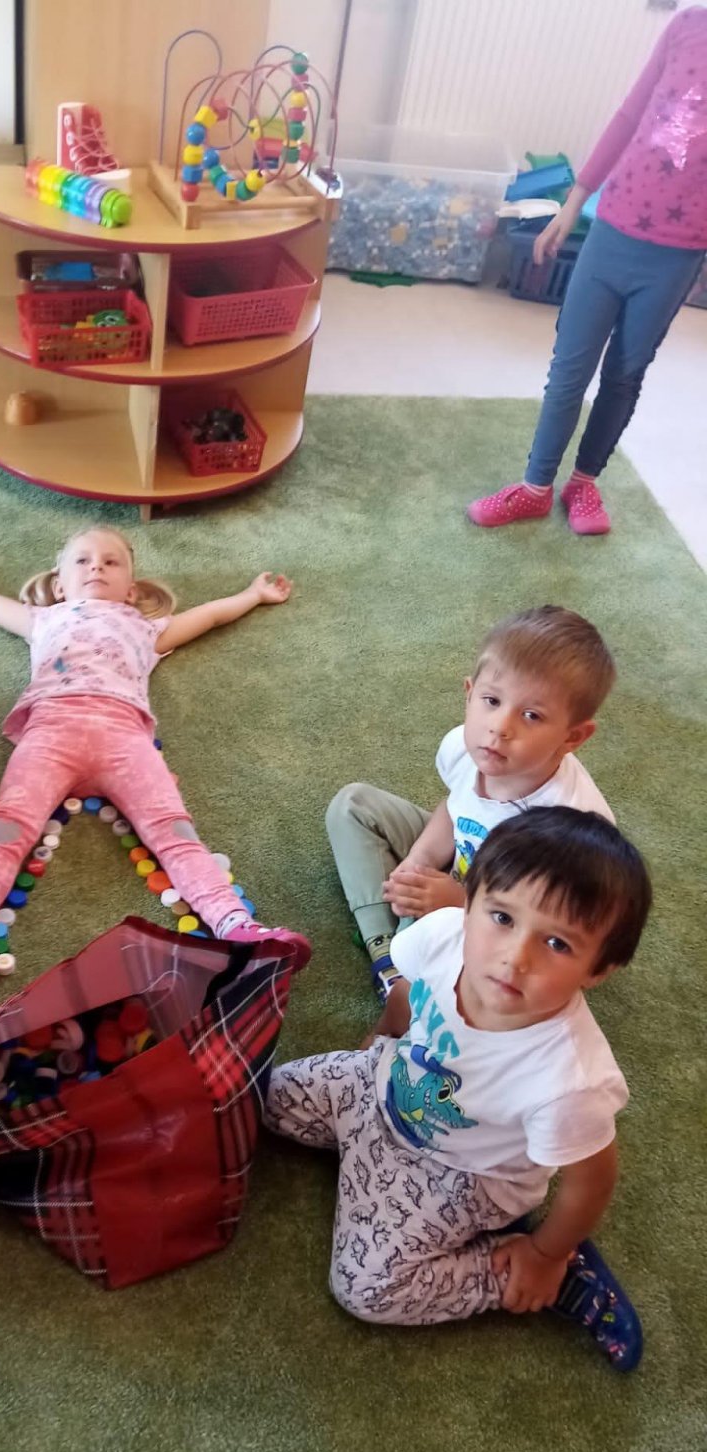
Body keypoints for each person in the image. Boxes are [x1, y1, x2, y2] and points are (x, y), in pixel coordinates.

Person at [266, 808, 651, 1372]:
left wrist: (545, 1254)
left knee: (365, 1289)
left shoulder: (571, 1078)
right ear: (468, 904)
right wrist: (380, 1040)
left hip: (461, 1177)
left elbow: (592, 1179)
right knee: (263, 1095)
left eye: (557, 943)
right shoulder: (444, 935)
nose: (515, 957)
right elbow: (407, 994)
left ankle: (543, 1276)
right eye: (502, 917)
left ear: (600, 970)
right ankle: (357, 1157)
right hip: (380, 1085)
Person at [0, 526, 309, 990]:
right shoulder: (43, 618)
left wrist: (252, 595)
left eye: (110, 561)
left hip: (124, 738)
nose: (96, 567)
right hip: (50, 733)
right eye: (82, 560)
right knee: (5, 830)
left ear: (132, 590)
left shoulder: (145, 627)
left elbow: (207, 617)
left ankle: (236, 927)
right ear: (60, 584)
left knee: (176, 833)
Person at [468, 5, 707, 536]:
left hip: (679, 253)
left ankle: (583, 482)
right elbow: (628, 117)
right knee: (570, 369)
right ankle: (535, 487)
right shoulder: (687, 25)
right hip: (613, 229)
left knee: (625, 372)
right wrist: (572, 205)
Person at [325, 606, 614, 1002]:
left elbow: (549, 930)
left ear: (572, 737)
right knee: (353, 806)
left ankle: (408, 969)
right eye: (491, 700)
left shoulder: (569, 829)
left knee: (475, 957)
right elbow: (455, 807)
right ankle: (386, 956)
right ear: (469, 692)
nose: (500, 727)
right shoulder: (466, 747)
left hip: (516, 917)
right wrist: (420, 858)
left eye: (531, 715)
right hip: (465, 864)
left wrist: (460, 902)